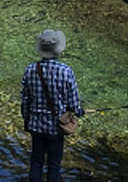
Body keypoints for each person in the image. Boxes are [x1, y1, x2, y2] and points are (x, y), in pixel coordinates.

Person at [21, 29, 84, 182]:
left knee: (36, 163)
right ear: (58, 50)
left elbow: (25, 101)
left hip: (36, 125)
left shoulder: (30, 69)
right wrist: (79, 111)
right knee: (54, 165)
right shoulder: (66, 71)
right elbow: (73, 102)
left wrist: (27, 120)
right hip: (56, 127)